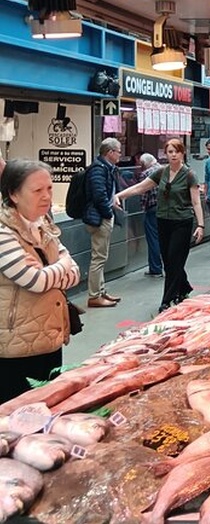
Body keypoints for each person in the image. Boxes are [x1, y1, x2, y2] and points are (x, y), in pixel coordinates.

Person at [0, 159, 80, 402]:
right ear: (13, 194)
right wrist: (61, 264)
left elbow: (75, 273)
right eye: (37, 191)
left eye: (49, 189)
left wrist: (52, 269)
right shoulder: (3, 232)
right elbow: (35, 281)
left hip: (50, 339)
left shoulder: (44, 226)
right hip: (15, 348)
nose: (46, 196)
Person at [115, 139, 205, 312]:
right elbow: (140, 187)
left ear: (182, 153)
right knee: (169, 260)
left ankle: (167, 300)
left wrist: (200, 225)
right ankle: (184, 287)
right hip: (163, 221)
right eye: (170, 152)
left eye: (176, 151)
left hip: (182, 222)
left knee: (174, 259)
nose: (173, 155)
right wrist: (120, 195)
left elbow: (196, 202)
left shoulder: (189, 175)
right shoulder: (161, 173)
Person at [84, 138, 122, 308]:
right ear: (110, 152)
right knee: (98, 258)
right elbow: (99, 195)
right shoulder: (98, 170)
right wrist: (108, 214)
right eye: (118, 151)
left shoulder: (106, 168)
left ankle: (101, 291)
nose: (120, 154)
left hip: (101, 216)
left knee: (101, 257)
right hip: (99, 218)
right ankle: (94, 295)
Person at [137, 153, 163, 277]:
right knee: (165, 238)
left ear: (143, 164)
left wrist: (143, 209)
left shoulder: (146, 174)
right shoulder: (165, 170)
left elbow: (143, 194)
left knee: (153, 239)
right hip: (166, 209)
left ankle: (156, 268)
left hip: (152, 209)